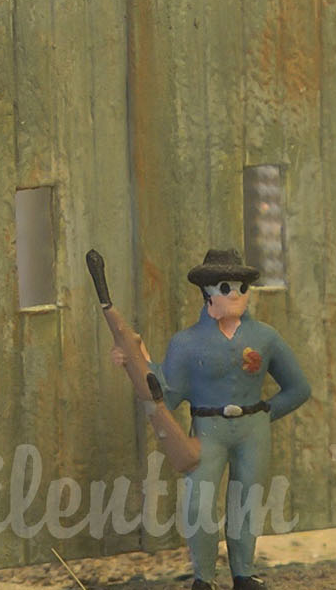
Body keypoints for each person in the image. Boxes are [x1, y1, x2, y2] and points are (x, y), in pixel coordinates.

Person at [114, 248, 310, 590]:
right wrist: (137, 359)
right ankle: (203, 577)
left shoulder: (265, 337)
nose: (234, 294)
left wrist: (264, 414)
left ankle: (243, 573)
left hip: (253, 431)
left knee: (247, 500)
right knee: (199, 505)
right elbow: (168, 395)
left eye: (241, 287)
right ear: (206, 292)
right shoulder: (187, 343)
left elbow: (298, 388)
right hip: (208, 430)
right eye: (225, 286)